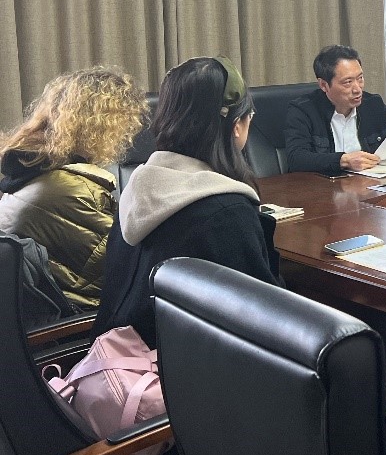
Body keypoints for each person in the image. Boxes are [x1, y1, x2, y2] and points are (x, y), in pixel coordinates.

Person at [94, 57, 283, 346]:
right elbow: (267, 320)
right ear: (236, 125)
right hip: (183, 371)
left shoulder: (136, 191)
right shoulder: (226, 212)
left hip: (116, 359)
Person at [0, 67, 147, 310]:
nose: (125, 135)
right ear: (99, 125)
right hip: (76, 321)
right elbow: (127, 268)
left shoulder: (29, 172)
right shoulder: (72, 190)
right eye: (122, 124)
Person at [284, 45, 386, 174]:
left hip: (368, 184)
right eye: (348, 82)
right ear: (323, 85)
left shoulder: (373, 104)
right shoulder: (303, 111)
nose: (357, 89)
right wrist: (344, 160)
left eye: (360, 78)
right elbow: (296, 159)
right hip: (323, 187)